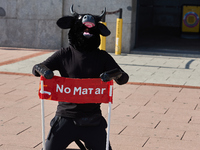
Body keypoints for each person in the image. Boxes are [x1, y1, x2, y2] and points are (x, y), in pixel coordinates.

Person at [32, 5, 129, 150]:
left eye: (91, 29)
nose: (87, 31)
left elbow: (123, 78)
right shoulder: (64, 54)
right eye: (84, 29)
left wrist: (114, 74)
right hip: (65, 116)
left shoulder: (102, 57)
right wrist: (44, 71)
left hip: (92, 119)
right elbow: (36, 68)